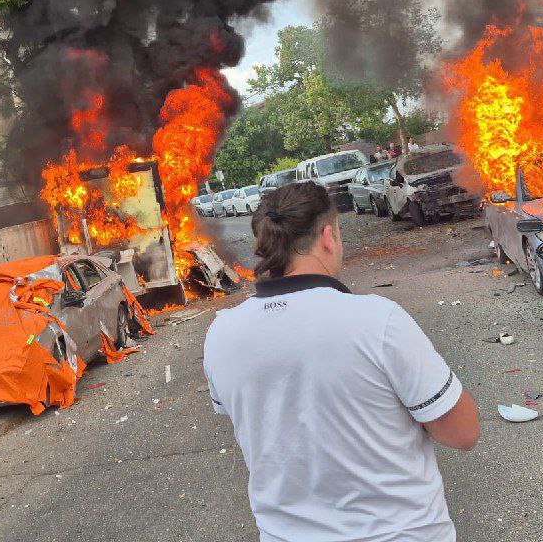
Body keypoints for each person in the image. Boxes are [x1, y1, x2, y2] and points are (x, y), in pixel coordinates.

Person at [203, 183, 479, 542]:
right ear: (329, 237)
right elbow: (462, 432)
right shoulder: (377, 320)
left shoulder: (222, 333)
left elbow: (262, 419)